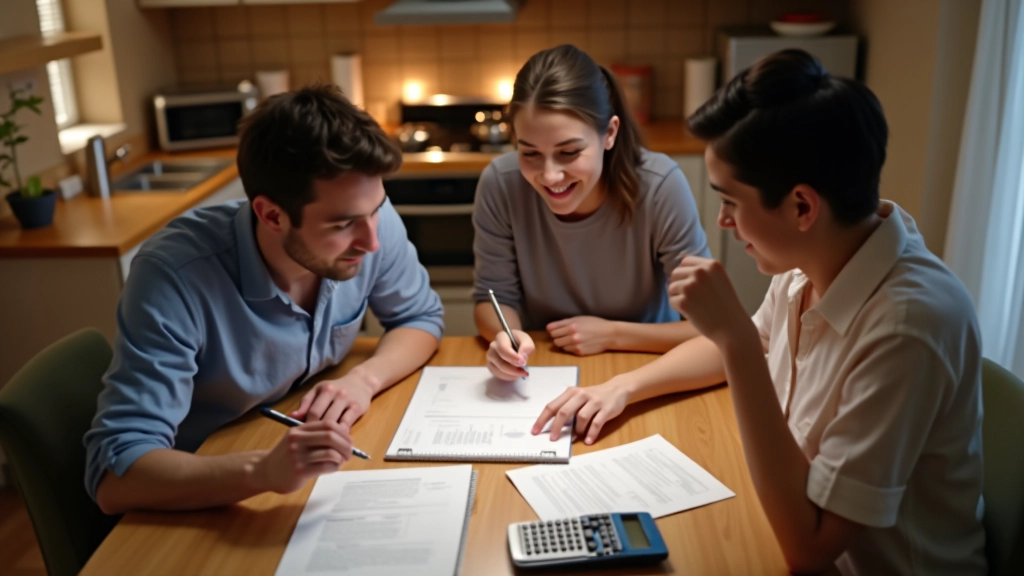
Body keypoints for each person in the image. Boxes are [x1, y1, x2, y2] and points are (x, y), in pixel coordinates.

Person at [534, 49, 986, 574]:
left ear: (801, 207)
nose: (723, 222)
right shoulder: (818, 260)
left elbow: (811, 549)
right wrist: (623, 388)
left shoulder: (908, 327)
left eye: (729, 201)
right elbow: (745, 344)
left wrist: (737, 342)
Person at [84, 85, 444, 514]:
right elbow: (115, 478)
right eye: (344, 224)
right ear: (271, 215)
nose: (371, 242)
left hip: (287, 455)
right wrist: (262, 472)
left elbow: (419, 317)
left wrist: (363, 381)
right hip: (200, 497)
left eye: (376, 210)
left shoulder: (370, 223)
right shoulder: (174, 278)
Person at [475, 44, 710, 381]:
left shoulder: (661, 186)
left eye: (569, 152)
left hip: (646, 369)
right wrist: (506, 336)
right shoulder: (501, 184)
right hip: (544, 368)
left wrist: (612, 334)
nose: (550, 175)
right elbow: (492, 297)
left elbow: (710, 325)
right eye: (530, 154)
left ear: (609, 133)